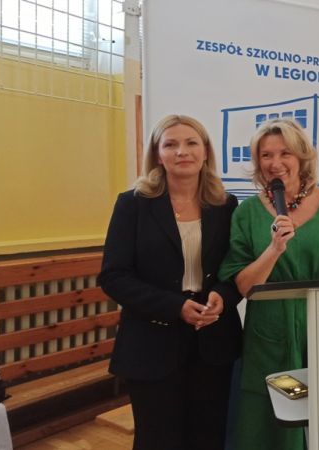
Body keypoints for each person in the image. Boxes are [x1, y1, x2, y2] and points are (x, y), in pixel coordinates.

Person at [218, 118, 319, 450]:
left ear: (302, 157)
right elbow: (244, 285)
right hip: (270, 333)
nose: (275, 163)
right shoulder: (246, 213)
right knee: (273, 419)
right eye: (266, 155)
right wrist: (274, 249)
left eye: (285, 153)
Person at [98, 115, 243, 450]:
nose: (182, 151)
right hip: (150, 343)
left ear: (205, 152)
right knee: (157, 439)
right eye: (171, 144)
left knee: (208, 438)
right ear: (157, 154)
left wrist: (222, 296)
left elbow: (234, 269)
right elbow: (113, 276)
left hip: (213, 341)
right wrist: (175, 306)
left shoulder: (225, 205)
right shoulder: (133, 204)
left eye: (191, 143)